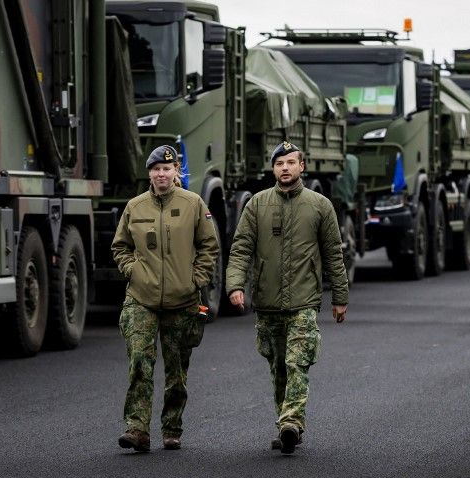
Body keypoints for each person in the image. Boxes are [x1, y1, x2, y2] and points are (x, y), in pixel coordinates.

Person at [226, 141, 349, 455]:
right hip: (267, 301)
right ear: (273, 168)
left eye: (291, 162)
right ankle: (285, 424)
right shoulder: (256, 204)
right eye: (279, 163)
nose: (285, 168)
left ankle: (292, 421)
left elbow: (333, 254)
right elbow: (241, 250)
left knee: (297, 363)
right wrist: (234, 286)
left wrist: (340, 295)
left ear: (301, 166)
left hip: (304, 300)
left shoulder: (320, 205)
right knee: (278, 366)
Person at [111, 145, 220, 453]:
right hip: (141, 298)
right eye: (156, 169)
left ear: (176, 172)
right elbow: (120, 246)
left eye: (167, 169)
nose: (161, 174)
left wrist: (195, 279)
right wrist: (133, 271)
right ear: (150, 173)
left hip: (182, 300)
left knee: (176, 371)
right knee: (140, 364)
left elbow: (209, 246)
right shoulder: (135, 206)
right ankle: (137, 429)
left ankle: (172, 428)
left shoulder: (193, 204)